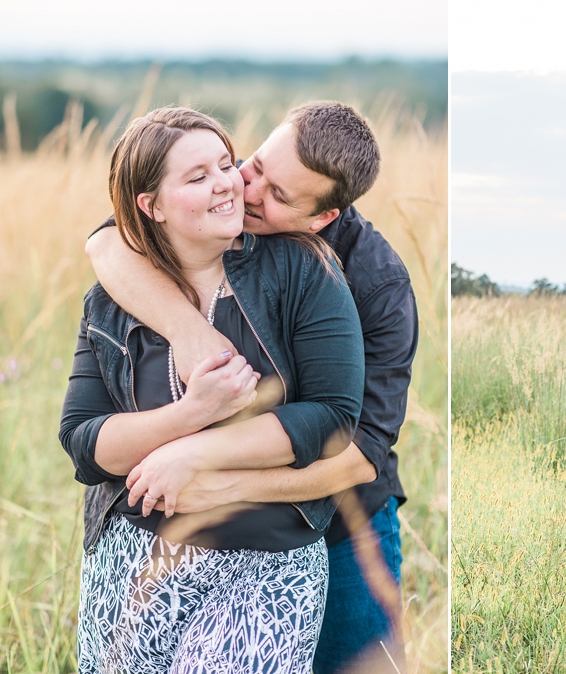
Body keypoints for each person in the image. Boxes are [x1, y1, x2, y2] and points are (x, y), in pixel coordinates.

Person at [85, 102, 417, 673]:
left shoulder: (378, 285)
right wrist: (190, 334)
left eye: (279, 195)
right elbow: (107, 242)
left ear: (321, 217)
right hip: (178, 526)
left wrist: (217, 485)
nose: (246, 188)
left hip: (341, 518)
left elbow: (359, 452)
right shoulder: (222, 191)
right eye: (256, 163)